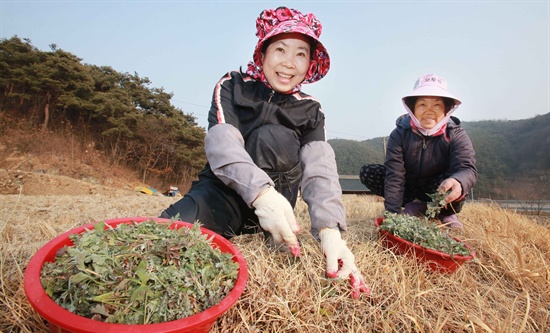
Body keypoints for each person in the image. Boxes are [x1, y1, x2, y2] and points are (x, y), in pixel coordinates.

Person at [160, 6, 369, 299]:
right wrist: (261, 196)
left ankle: (274, 235)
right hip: (224, 194)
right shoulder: (232, 86)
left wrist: (330, 231)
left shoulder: (310, 109)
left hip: (278, 206)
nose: (289, 63)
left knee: (272, 136)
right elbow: (223, 145)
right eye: (280, 49)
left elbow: (320, 171)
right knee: (170, 232)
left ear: (310, 62)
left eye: (300, 53)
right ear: (263, 53)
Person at [360, 73, 477, 228]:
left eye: (436, 105)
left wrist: (458, 181)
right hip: (409, 186)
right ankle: (413, 205)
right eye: (422, 105)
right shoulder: (399, 134)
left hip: (437, 188)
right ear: (412, 108)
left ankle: (445, 213)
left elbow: (467, 168)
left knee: (458, 180)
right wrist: (393, 216)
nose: (429, 111)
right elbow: (395, 175)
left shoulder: (456, 134)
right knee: (369, 172)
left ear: (446, 110)